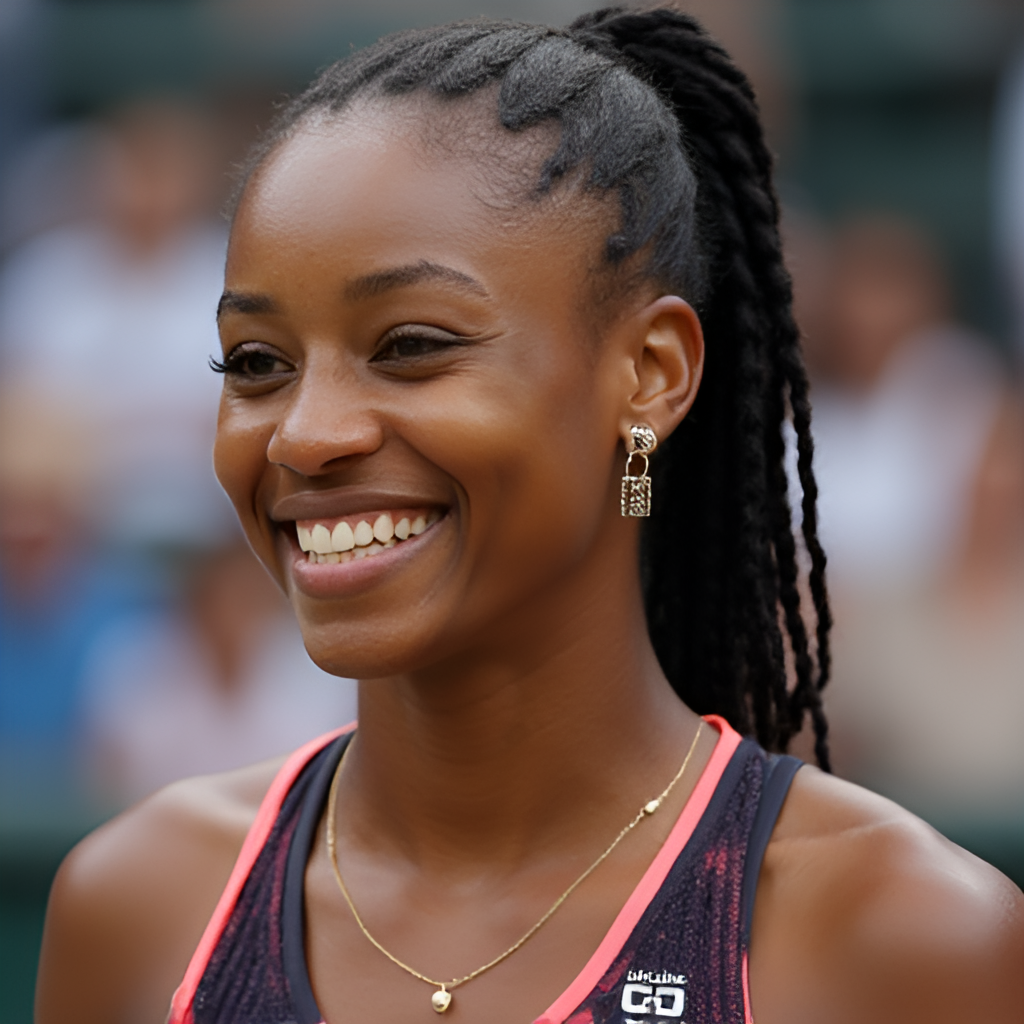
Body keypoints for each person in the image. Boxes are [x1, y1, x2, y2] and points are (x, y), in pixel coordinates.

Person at [35, 10, 1023, 1024]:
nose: (302, 434)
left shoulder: (898, 939)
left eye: (411, 343)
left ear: (649, 373)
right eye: (255, 363)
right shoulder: (140, 902)